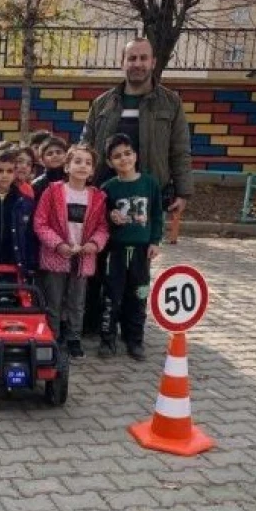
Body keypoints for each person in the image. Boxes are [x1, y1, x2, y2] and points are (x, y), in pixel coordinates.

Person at [80, 37, 192, 336]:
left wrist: (183, 191)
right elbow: (86, 146)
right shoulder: (102, 103)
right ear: (122, 62)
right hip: (105, 197)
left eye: (144, 58)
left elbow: (180, 149)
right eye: (132, 58)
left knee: (137, 268)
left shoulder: (171, 102)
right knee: (99, 258)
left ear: (153, 62)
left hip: (146, 197)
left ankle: (132, 328)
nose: (138, 64)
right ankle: (95, 321)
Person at [33, 144, 109, 360]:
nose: (82, 166)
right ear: (66, 167)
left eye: (88, 163)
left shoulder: (97, 197)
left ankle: (74, 337)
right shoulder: (53, 191)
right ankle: (53, 335)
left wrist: (94, 244)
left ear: (93, 170)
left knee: (77, 300)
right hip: (56, 255)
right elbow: (40, 223)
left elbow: (102, 227)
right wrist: (58, 244)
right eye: (77, 161)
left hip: (83, 258)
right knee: (54, 299)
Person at [98, 133, 164, 361]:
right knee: (111, 296)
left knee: (139, 294)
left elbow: (157, 214)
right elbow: (99, 217)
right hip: (115, 252)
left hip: (141, 252)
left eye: (127, 153)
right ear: (109, 162)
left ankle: (135, 339)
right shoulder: (108, 188)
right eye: (117, 156)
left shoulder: (150, 183)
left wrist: (155, 241)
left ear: (135, 155)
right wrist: (110, 215)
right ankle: (107, 340)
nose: (123, 159)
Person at [31, 135, 69, 202]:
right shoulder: (36, 186)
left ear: (66, 155)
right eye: (50, 154)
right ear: (42, 160)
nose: (55, 155)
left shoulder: (73, 180)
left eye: (58, 152)